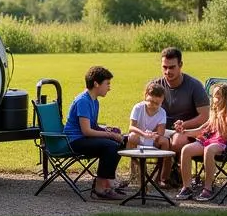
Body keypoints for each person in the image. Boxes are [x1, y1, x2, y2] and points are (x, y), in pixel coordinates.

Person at [63, 65, 127, 201]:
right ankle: (100, 188)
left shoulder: (94, 101)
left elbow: (93, 126)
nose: (109, 87)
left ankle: (108, 183)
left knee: (121, 141)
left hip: (84, 138)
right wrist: (110, 135)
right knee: (111, 146)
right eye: (107, 84)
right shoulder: (83, 101)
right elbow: (86, 131)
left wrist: (108, 130)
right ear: (96, 84)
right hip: (75, 141)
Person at [177, 82, 227, 202]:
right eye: (213, 96)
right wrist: (184, 131)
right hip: (208, 142)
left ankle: (208, 188)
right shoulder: (213, 114)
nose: (214, 99)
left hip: (224, 145)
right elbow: (200, 130)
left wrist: (223, 121)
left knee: (209, 149)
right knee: (186, 149)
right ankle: (186, 187)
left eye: (218, 96)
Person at [157, 48, 210, 170]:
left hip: (189, 130)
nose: (167, 71)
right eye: (164, 67)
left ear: (180, 65)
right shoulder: (156, 86)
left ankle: (173, 171)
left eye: (171, 67)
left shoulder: (194, 86)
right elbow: (146, 111)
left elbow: (205, 116)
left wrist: (184, 125)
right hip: (161, 128)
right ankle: (146, 176)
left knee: (177, 141)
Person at [126, 81, 170, 185]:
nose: (153, 105)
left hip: (153, 138)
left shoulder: (162, 112)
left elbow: (161, 132)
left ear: (162, 101)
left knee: (165, 142)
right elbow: (131, 127)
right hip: (140, 137)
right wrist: (143, 134)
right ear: (146, 96)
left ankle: (160, 175)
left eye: (157, 103)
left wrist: (153, 135)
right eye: (151, 102)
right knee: (131, 137)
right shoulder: (138, 108)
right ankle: (135, 170)